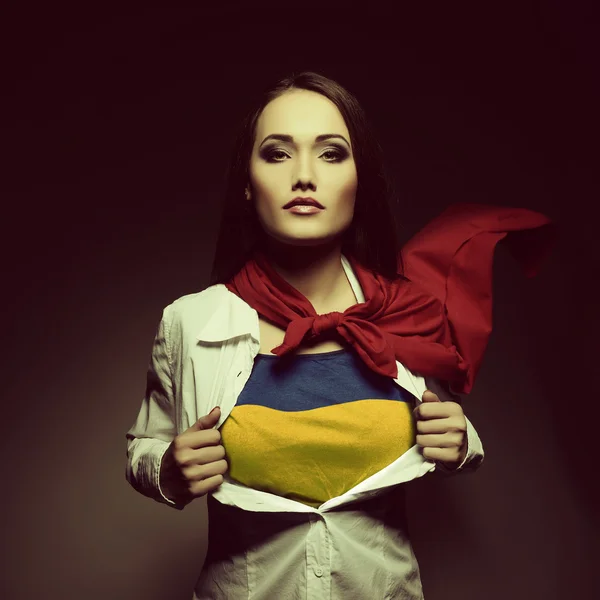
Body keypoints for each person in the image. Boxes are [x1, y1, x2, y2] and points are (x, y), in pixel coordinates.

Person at [125, 71, 554, 599]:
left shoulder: (408, 312)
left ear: (360, 179)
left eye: (331, 154)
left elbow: (446, 432)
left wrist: (461, 442)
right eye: (277, 153)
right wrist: (168, 471)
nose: (304, 176)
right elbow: (145, 446)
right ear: (246, 181)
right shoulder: (190, 321)